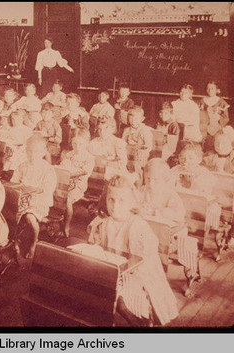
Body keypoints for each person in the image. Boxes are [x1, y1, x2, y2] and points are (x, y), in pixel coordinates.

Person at [86, 174, 179, 326]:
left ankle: (137, 323)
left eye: (122, 201)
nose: (115, 206)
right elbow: (96, 249)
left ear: (131, 203)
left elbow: (143, 263)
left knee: (115, 293)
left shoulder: (137, 227)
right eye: (111, 199)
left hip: (137, 274)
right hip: (111, 269)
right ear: (105, 199)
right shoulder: (102, 223)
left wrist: (119, 272)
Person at [11, 134, 57, 259]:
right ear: (26, 151)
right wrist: (20, 185)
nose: (32, 154)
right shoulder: (22, 166)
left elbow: (48, 189)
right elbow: (13, 183)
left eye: (36, 151)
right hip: (22, 201)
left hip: (38, 202)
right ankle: (13, 241)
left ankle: (33, 243)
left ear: (43, 152)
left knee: (30, 218)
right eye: (29, 151)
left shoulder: (47, 169)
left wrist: (31, 189)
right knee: (9, 212)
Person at [60, 131, 94, 237]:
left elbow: (84, 172)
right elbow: (62, 167)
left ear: (85, 145)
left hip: (79, 183)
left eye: (80, 144)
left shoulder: (89, 158)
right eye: (75, 144)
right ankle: (55, 217)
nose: (77, 146)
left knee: (68, 198)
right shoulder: (69, 155)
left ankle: (67, 225)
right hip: (65, 180)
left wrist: (70, 174)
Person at [199, 81, 230, 152]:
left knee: (216, 146)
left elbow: (226, 118)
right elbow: (200, 114)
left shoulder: (221, 102)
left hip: (217, 128)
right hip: (205, 128)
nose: (210, 90)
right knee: (205, 147)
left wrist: (218, 120)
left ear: (217, 90)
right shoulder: (203, 101)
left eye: (212, 88)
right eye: (208, 88)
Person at [122, 106, 153, 171]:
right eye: (131, 118)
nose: (133, 121)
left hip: (140, 158)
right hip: (127, 156)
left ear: (142, 119)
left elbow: (148, 147)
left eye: (136, 119)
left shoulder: (145, 130)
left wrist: (136, 147)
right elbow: (122, 144)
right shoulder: (126, 130)